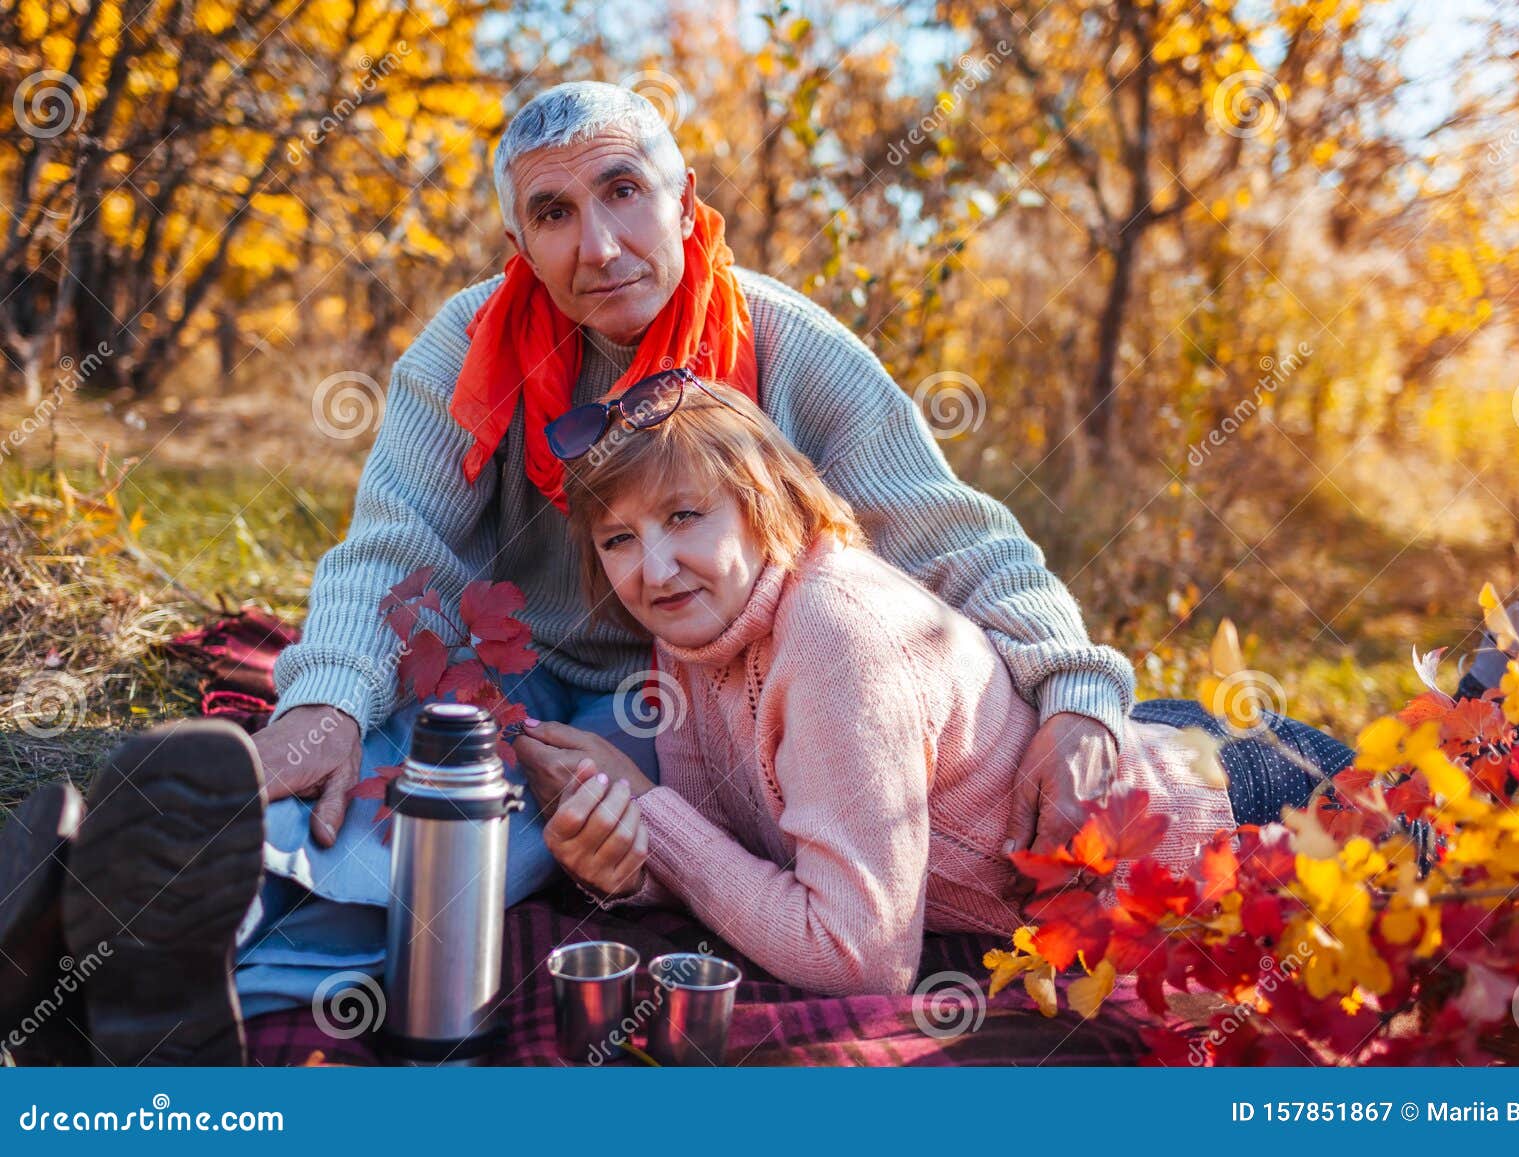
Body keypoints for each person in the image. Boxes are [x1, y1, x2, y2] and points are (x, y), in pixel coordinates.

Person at [229, 79, 1142, 1019]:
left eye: (623, 190)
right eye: (555, 213)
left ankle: (248, 979)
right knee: (385, 757)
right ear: (520, 246)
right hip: (514, 666)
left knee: (493, 824)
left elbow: (961, 542)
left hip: (685, 706)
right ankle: (178, 890)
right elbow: (393, 545)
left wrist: (1078, 697)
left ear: (684, 197)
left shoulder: (790, 345)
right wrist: (327, 700)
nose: (601, 246)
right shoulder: (468, 344)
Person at [512, 373, 1342, 994]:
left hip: (1249, 813)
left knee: (1459, 876)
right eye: (619, 538)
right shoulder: (693, 630)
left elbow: (861, 958)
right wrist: (621, 851)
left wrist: (652, 818)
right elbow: (738, 852)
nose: (653, 568)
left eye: (685, 517)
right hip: (1163, 754)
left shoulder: (837, 635)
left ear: (762, 500)